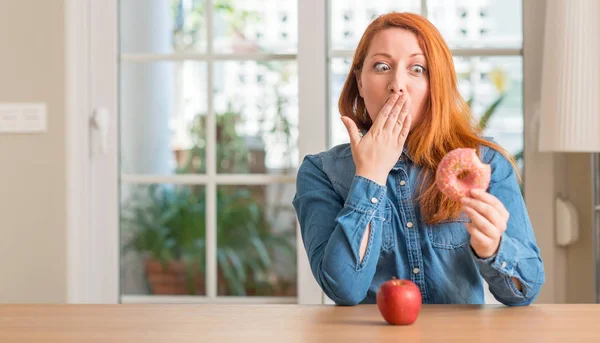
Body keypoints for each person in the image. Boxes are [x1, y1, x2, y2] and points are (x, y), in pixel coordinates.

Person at [292, 12, 544, 306]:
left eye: (417, 69)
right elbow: (343, 289)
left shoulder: (485, 161)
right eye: (382, 66)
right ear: (359, 82)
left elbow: (527, 288)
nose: (397, 84)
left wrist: (493, 247)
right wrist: (370, 176)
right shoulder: (320, 172)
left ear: (436, 83)